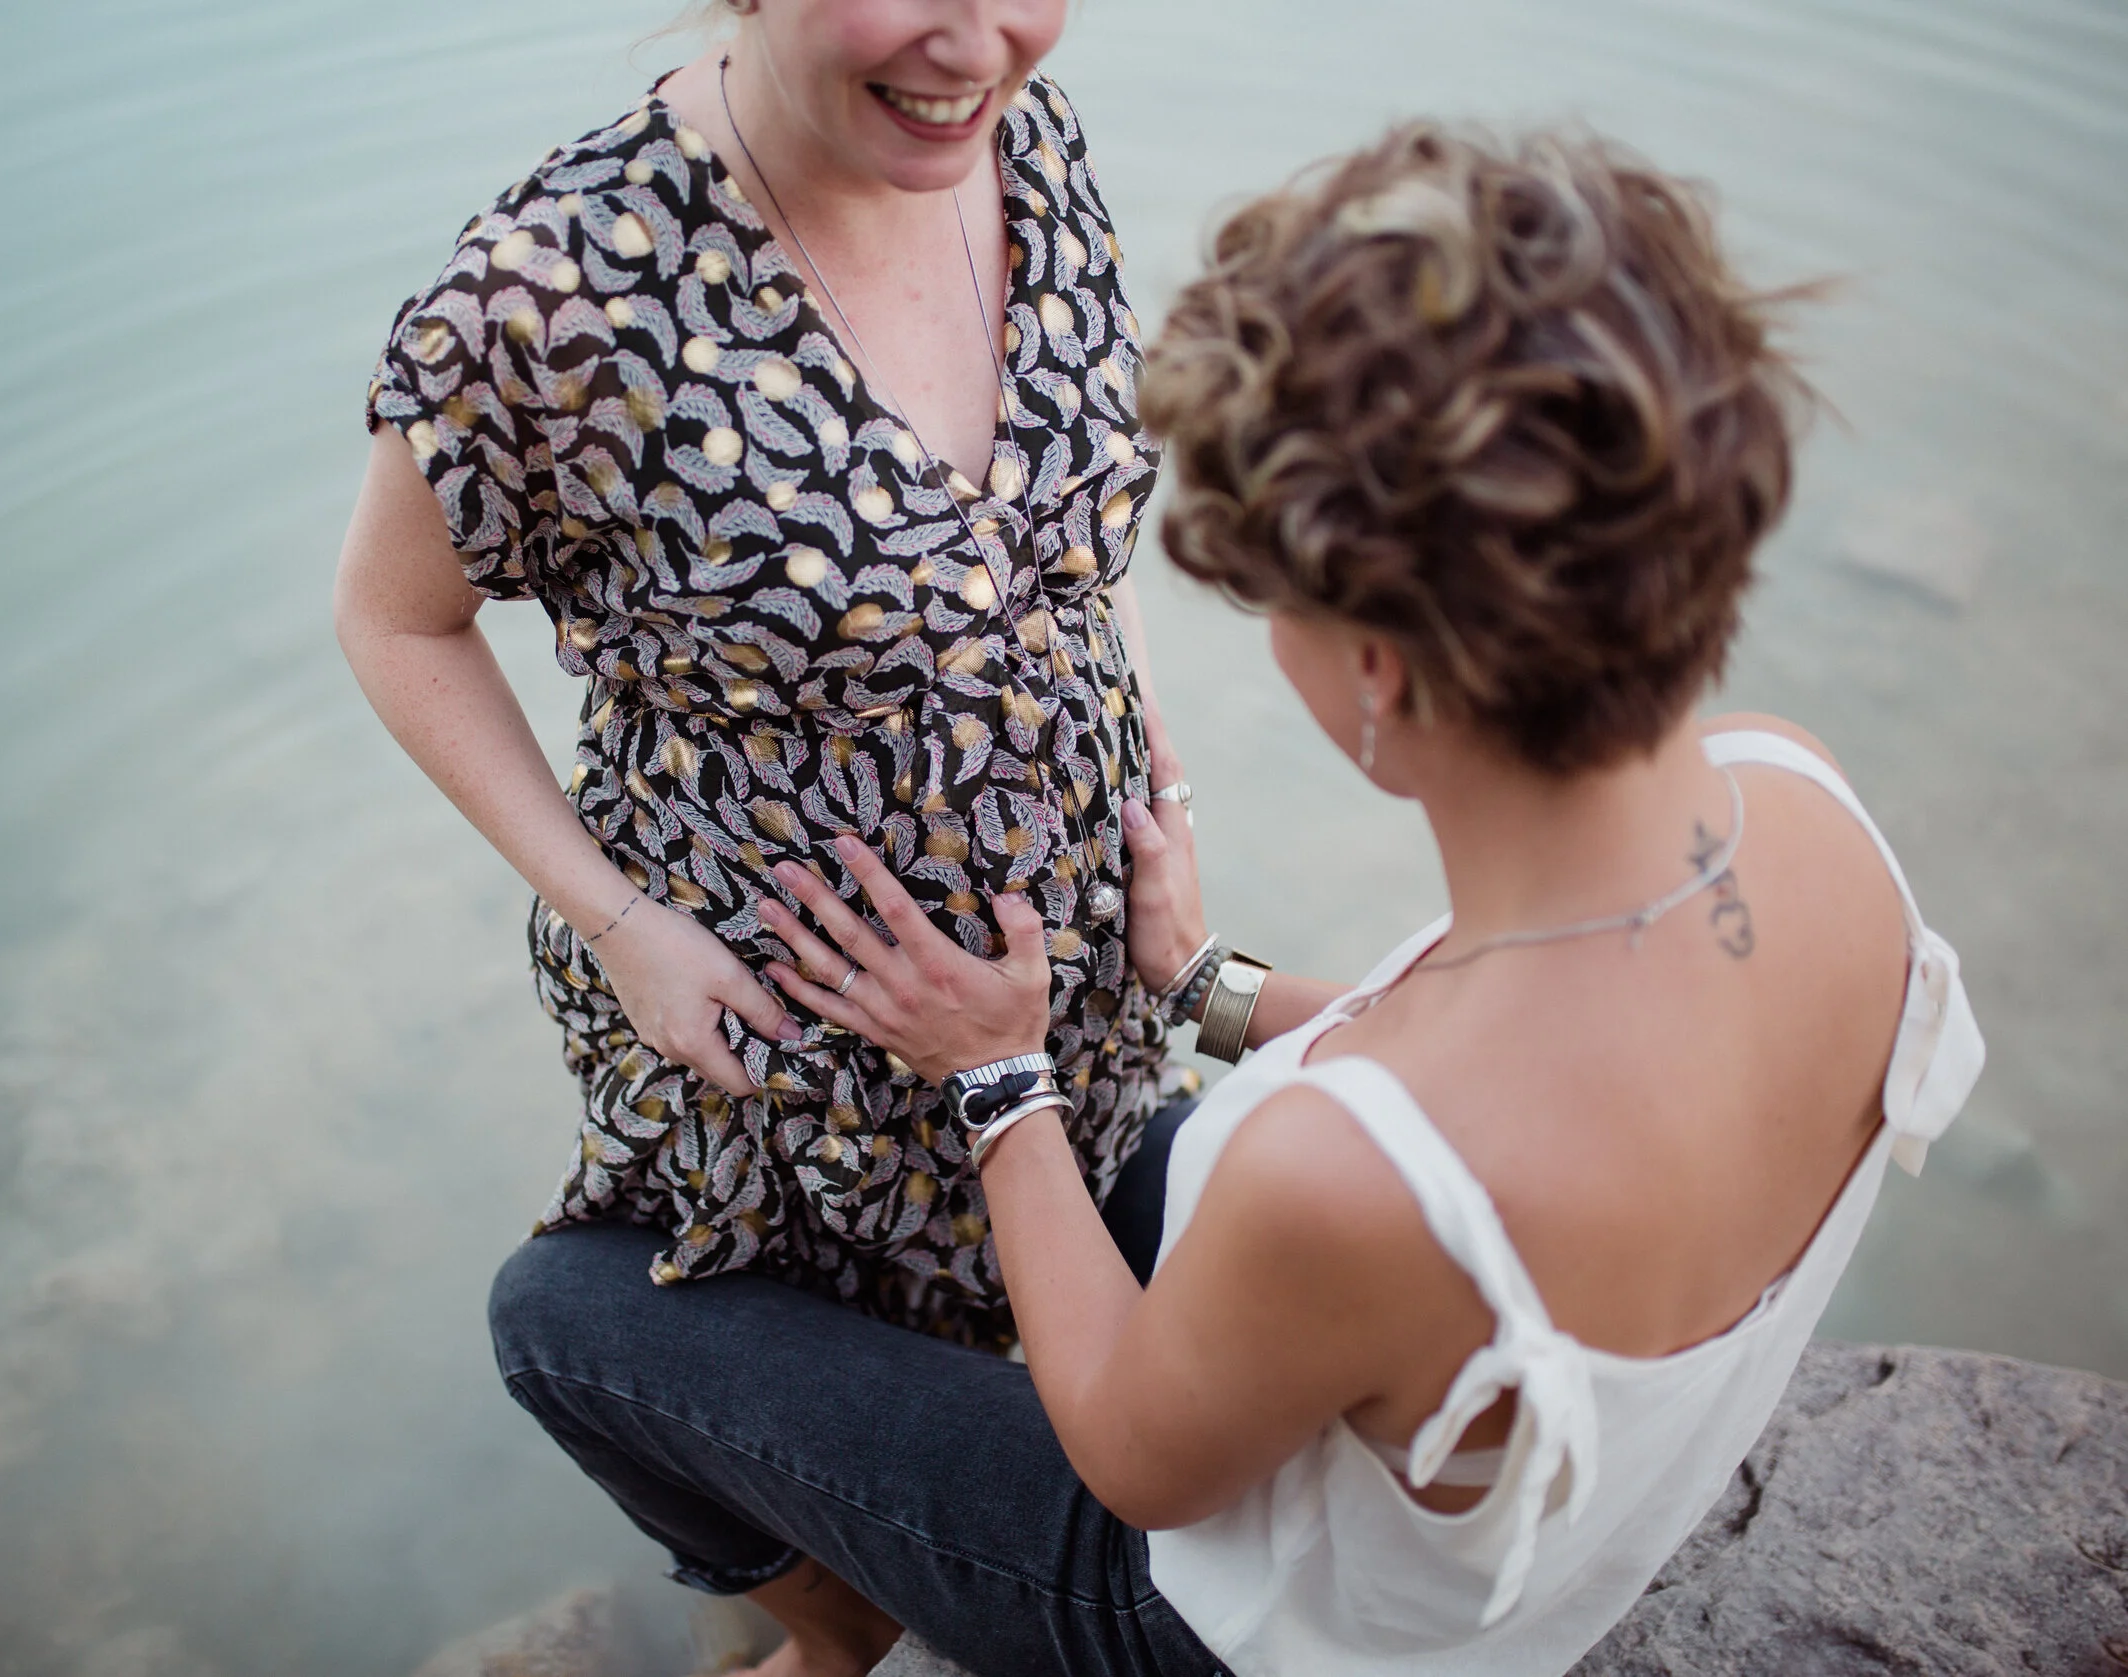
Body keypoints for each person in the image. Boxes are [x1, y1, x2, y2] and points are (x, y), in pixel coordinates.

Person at [486, 123, 1985, 1676]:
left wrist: (998, 1082)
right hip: (1553, 1495)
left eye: (1284, 608)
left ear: (1380, 673)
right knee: (1137, 1161)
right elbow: (1557, 1056)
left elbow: (1141, 1466)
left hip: (1233, 1630)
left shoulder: (1345, 1175)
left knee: (556, 1312)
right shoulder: (1804, 806)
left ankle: (828, 1633)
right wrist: (1197, 979)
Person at [335, 0, 1187, 1347]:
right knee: (782, 1459)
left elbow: (1064, 543)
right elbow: (394, 622)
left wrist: (1163, 798)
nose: (975, 48)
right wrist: (623, 930)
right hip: (798, 1061)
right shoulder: (552, 290)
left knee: (1077, 1390)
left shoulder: (1025, 142)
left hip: (1084, 987)